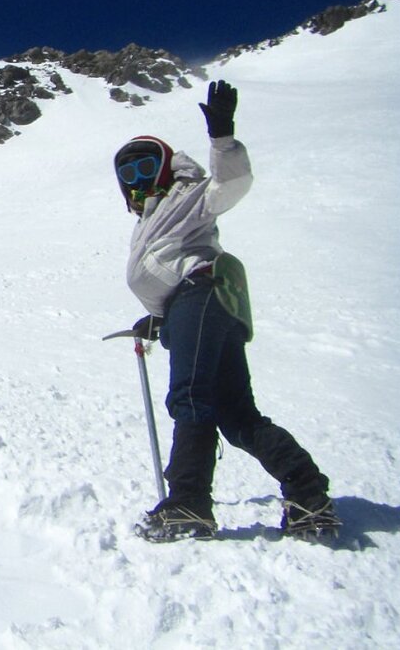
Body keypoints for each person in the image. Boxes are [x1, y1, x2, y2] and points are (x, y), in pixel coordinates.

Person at [114, 80, 339, 543]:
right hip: (199, 307)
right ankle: (308, 493)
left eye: (145, 165)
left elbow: (230, 185)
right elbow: (168, 269)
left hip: (203, 297)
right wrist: (159, 316)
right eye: (128, 171)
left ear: (165, 166)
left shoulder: (186, 194)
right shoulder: (152, 217)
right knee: (236, 415)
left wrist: (222, 136)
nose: (137, 177)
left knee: (190, 397)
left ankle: (189, 503)